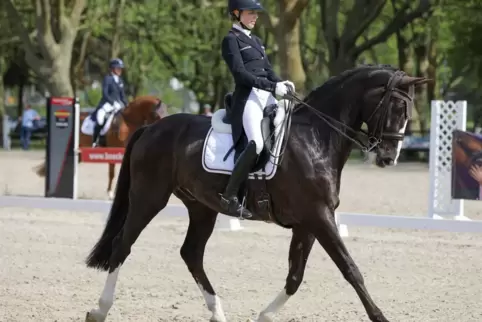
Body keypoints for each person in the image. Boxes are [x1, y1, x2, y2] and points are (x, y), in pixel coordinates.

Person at [219, 0, 295, 218]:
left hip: (266, 95)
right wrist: (272, 86)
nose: (255, 17)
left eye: (256, 13)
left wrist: (283, 83)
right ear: (236, 13)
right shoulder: (230, 40)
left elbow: (268, 71)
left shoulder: (257, 41)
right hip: (249, 97)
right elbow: (241, 75)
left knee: (289, 126)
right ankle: (229, 196)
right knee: (257, 143)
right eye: (250, 13)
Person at [92, 58, 129, 147]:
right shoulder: (107, 79)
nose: (120, 70)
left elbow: (122, 95)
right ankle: (96, 140)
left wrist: (127, 105)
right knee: (100, 120)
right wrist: (113, 103)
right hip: (107, 104)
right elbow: (105, 94)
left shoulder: (120, 81)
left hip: (118, 105)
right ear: (112, 69)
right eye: (118, 68)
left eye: (120, 69)